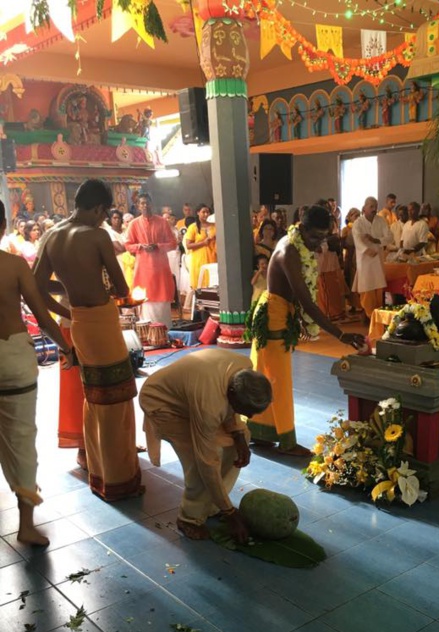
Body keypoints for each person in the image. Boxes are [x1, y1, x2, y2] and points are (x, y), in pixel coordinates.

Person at [34, 179, 144, 502]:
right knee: (117, 398)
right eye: (104, 213)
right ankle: (119, 477)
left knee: (94, 396)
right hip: (102, 322)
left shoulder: (51, 236)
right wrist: (106, 286)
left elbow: (37, 287)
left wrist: (67, 296)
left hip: (79, 321)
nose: (103, 219)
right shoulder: (96, 236)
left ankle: (98, 473)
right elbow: (122, 288)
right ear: (98, 208)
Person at [249, 205, 365, 456]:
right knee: (277, 379)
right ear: (301, 228)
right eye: (314, 237)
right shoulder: (290, 251)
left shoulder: (296, 242)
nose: (318, 244)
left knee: (268, 375)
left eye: (323, 238)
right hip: (273, 316)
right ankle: (286, 442)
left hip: (280, 311)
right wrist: (340, 334)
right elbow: (307, 301)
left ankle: (260, 432)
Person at [139, 349, 272, 543]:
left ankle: (213, 505)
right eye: (247, 411)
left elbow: (229, 409)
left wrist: (238, 434)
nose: (250, 416)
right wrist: (231, 513)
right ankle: (189, 518)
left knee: (241, 436)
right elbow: (206, 461)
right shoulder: (209, 406)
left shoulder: (244, 366)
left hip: (193, 394)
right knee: (198, 459)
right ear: (233, 396)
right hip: (162, 403)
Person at [0, 198, 74, 545]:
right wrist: (67, 347)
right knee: (21, 440)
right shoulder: (14, 266)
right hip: (13, 360)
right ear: (4, 227)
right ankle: (26, 524)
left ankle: (21, 484)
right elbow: (43, 316)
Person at [124, 193, 178, 328]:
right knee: (145, 299)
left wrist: (158, 246)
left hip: (161, 269)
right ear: (138, 206)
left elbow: (173, 243)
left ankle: (165, 332)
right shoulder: (134, 224)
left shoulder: (162, 222)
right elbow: (128, 245)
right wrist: (140, 246)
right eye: (142, 203)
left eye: (147, 202)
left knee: (162, 300)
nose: (145, 205)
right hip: (144, 269)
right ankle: (148, 333)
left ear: (152, 204)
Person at [351, 197, 392, 319]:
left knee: (378, 289)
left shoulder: (381, 221)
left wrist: (376, 240)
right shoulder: (358, 223)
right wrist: (367, 250)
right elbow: (357, 240)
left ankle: (377, 318)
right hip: (365, 262)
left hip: (378, 261)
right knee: (367, 289)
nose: (374, 209)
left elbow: (390, 237)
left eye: (376, 206)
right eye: (371, 207)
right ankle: (371, 317)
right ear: (364, 208)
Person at [185, 203, 217, 290]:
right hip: (199, 260)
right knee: (201, 285)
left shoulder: (214, 226)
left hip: (212, 257)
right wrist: (203, 243)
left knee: (213, 284)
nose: (206, 214)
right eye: (203, 212)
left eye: (208, 212)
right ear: (198, 213)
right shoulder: (193, 227)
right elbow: (188, 245)